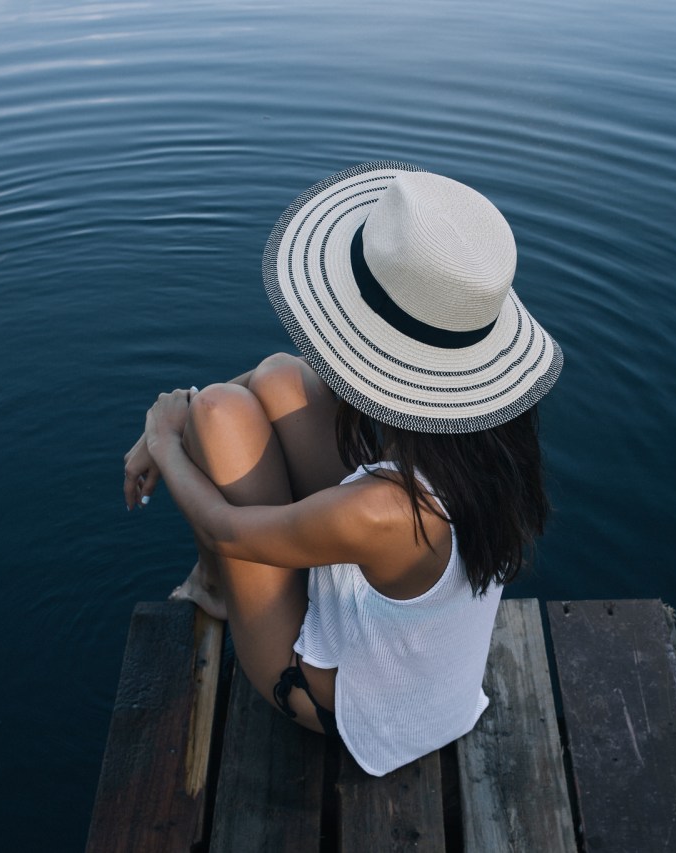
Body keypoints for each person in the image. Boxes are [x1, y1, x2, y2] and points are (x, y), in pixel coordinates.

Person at [122, 162, 563, 776]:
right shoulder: (493, 450)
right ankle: (226, 567)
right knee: (278, 376)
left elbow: (227, 530)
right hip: (423, 677)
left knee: (220, 412)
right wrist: (177, 422)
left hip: (343, 707)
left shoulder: (386, 509)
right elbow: (281, 377)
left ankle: (215, 588)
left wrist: (164, 438)